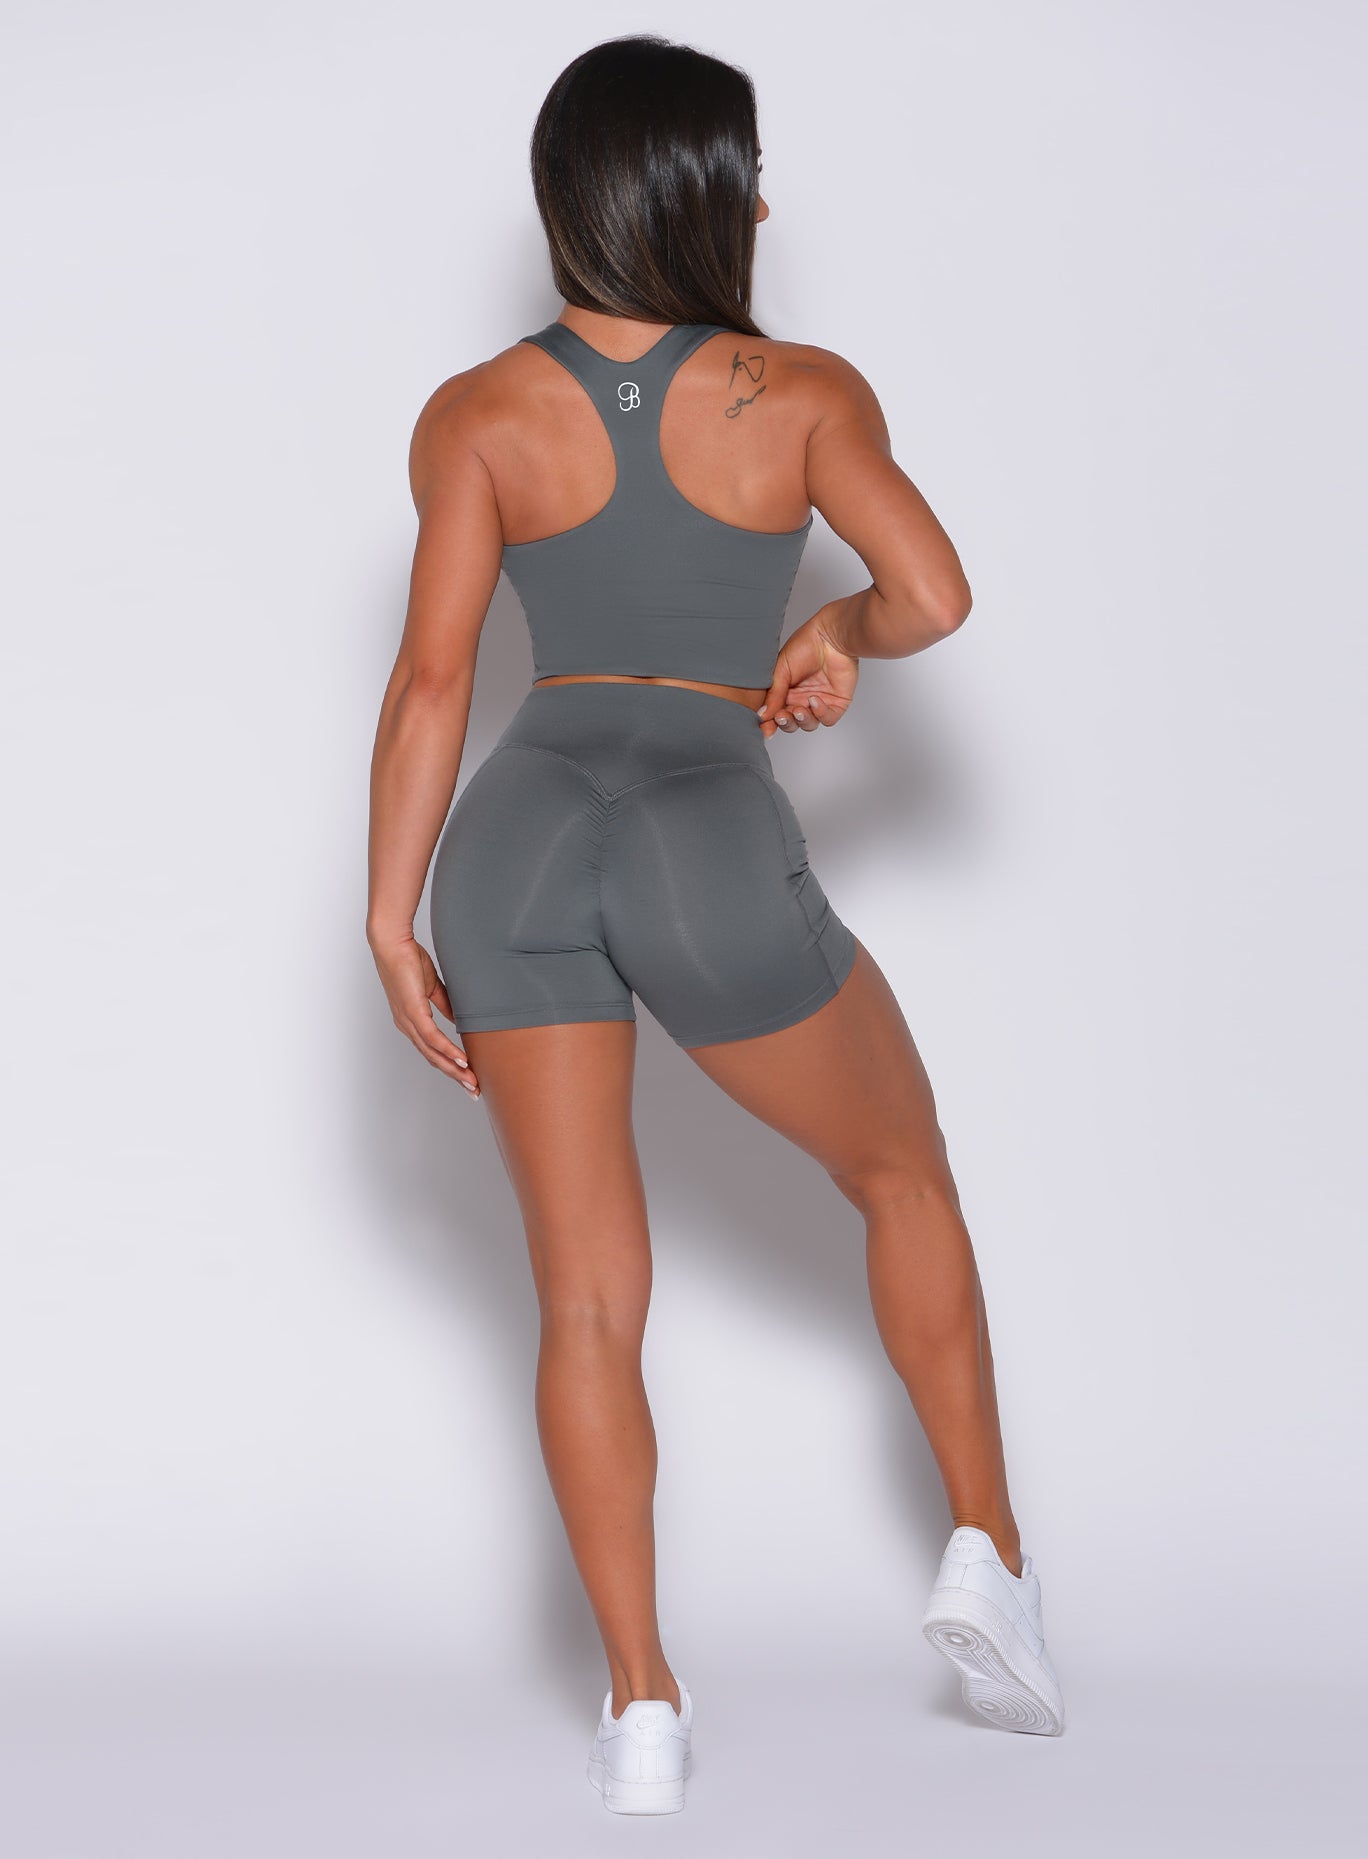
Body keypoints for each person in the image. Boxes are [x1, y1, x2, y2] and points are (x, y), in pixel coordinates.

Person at [366, 32, 1066, 1816]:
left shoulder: (475, 412)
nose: (763, 205)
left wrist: (386, 915)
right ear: (696, 190)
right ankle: (988, 1556)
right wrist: (834, 629)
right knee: (901, 1174)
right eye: (749, 176)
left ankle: (642, 1712)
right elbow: (933, 594)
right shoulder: (801, 393)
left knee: (586, 1297)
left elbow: (433, 680)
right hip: (701, 826)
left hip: (513, 844)